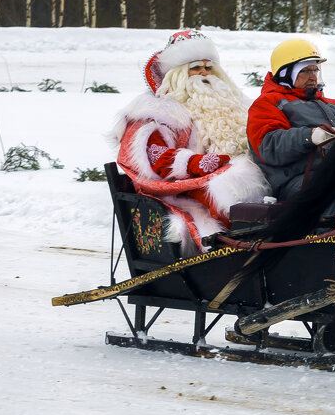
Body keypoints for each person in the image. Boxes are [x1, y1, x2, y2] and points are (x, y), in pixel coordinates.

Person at [111, 29, 270, 256]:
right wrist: (197, 162)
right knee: (227, 192)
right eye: (195, 68)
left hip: (230, 170)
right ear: (177, 74)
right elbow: (154, 156)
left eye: (209, 67)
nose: (204, 74)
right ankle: (238, 254)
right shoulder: (158, 109)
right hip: (185, 187)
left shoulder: (237, 103)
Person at [247, 38, 335, 202]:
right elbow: (269, 147)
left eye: (315, 70)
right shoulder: (267, 104)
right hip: (296, 181)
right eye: (306, 71)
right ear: (285, 74)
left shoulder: (333, 104)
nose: (313, 77)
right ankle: (327, 228)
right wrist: (309, 136)